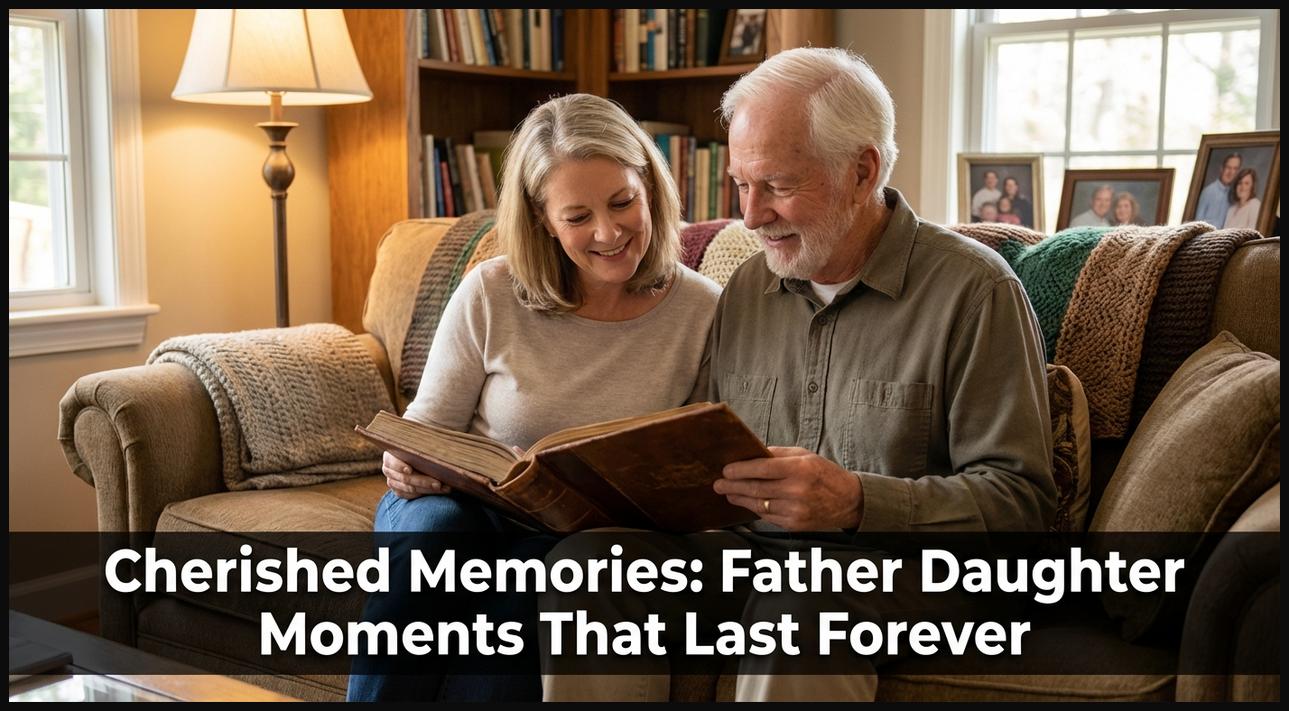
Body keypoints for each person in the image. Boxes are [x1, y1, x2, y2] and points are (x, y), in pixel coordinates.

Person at [542, 47, 1054, 703]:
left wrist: (857, 501)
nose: (750, 216)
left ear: (861, 170)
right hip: (747, 558)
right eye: (740, 186)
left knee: (805, 595)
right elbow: (704, 455)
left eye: (777, 187)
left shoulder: (974, 291)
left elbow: (1023, 507)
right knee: (596, 565)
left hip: (903, 571)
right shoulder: (749, 285)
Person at [348, 93, 722, 701]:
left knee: (543, 581)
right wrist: (401, 462)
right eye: (577, 217)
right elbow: (425, 432)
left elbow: (694, 462)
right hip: (460, 510)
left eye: (623, 202)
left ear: (650, 186)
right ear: (543, 219)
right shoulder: (492, 291)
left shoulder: (702, 309)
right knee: (437, 541)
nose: (608, 232)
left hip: (577, 533)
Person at [1194, 153, 1242, 228]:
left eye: (1235, 169)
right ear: (1222, 168)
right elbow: (1197, 221)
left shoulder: (1236, 194)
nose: (1231, 172)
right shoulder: (1208, 191)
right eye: (1228, 167)